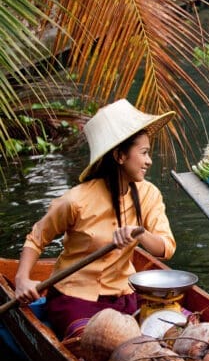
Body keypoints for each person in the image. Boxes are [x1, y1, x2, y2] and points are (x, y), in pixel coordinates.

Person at [14, 99, 177, 340]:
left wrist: (139, 233)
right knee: (93, 346)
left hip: (124, 299)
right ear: (120, 155)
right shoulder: (76, 200)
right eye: (143, 153)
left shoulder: (149, 194)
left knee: (169, 333)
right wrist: (21, 280)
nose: (149, 161)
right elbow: (36, 238)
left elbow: (166, 249)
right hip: (75, 300)